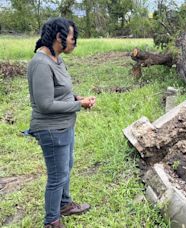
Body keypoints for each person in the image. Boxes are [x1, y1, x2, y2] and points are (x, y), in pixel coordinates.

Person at [27, 17, 95, 228]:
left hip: (64, 125)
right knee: (57, 176)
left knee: (67, 166)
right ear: (59, 37)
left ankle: (64, 204)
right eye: (72, 37)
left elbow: (60, 91)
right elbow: (45, 104)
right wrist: (78, 105)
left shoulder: (56, 58)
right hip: (51, 129)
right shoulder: (41, 64)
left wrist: (76, 98)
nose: (74, 42)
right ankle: (51, 221)